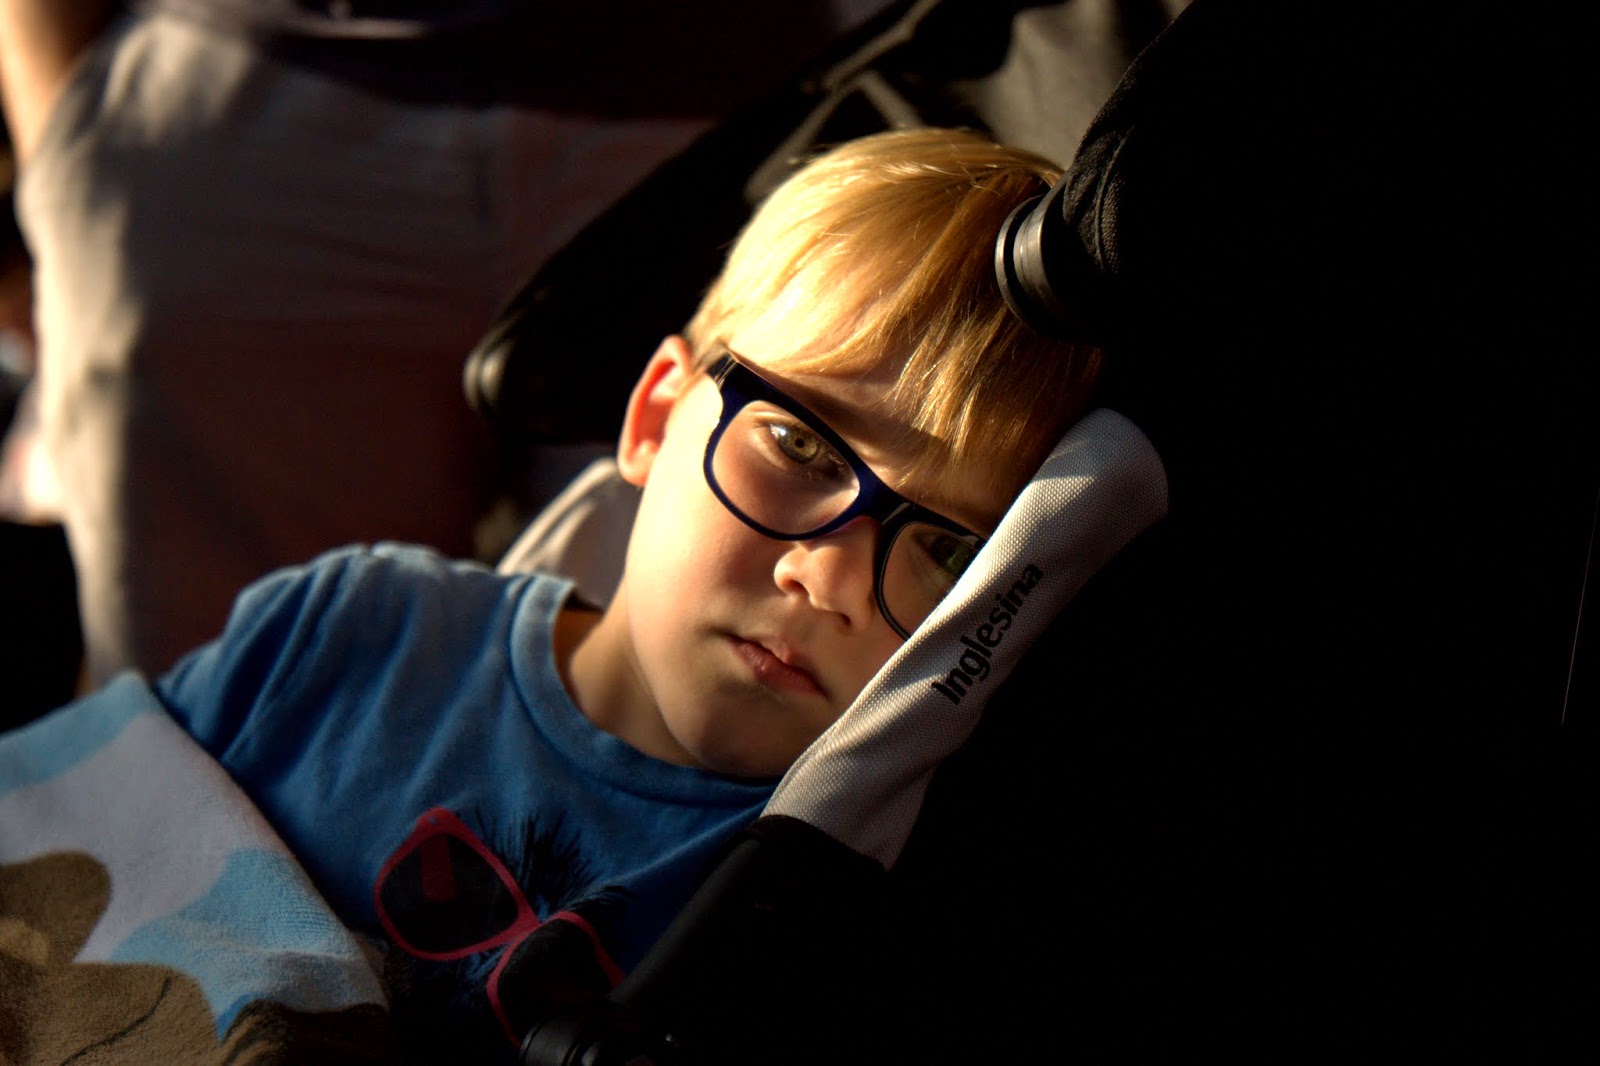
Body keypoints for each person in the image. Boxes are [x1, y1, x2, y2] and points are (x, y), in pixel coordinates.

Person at [97, 128, 1099, 1058]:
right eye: (797, 445)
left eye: (947, 549)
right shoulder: (342, 634)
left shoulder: (844, 903)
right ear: (655, 416)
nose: (826, 577)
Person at [0, 0, 875, 690]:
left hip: (730, 105)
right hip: (244, 114)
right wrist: (60, 139)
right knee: (206, 741)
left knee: (684, 758)